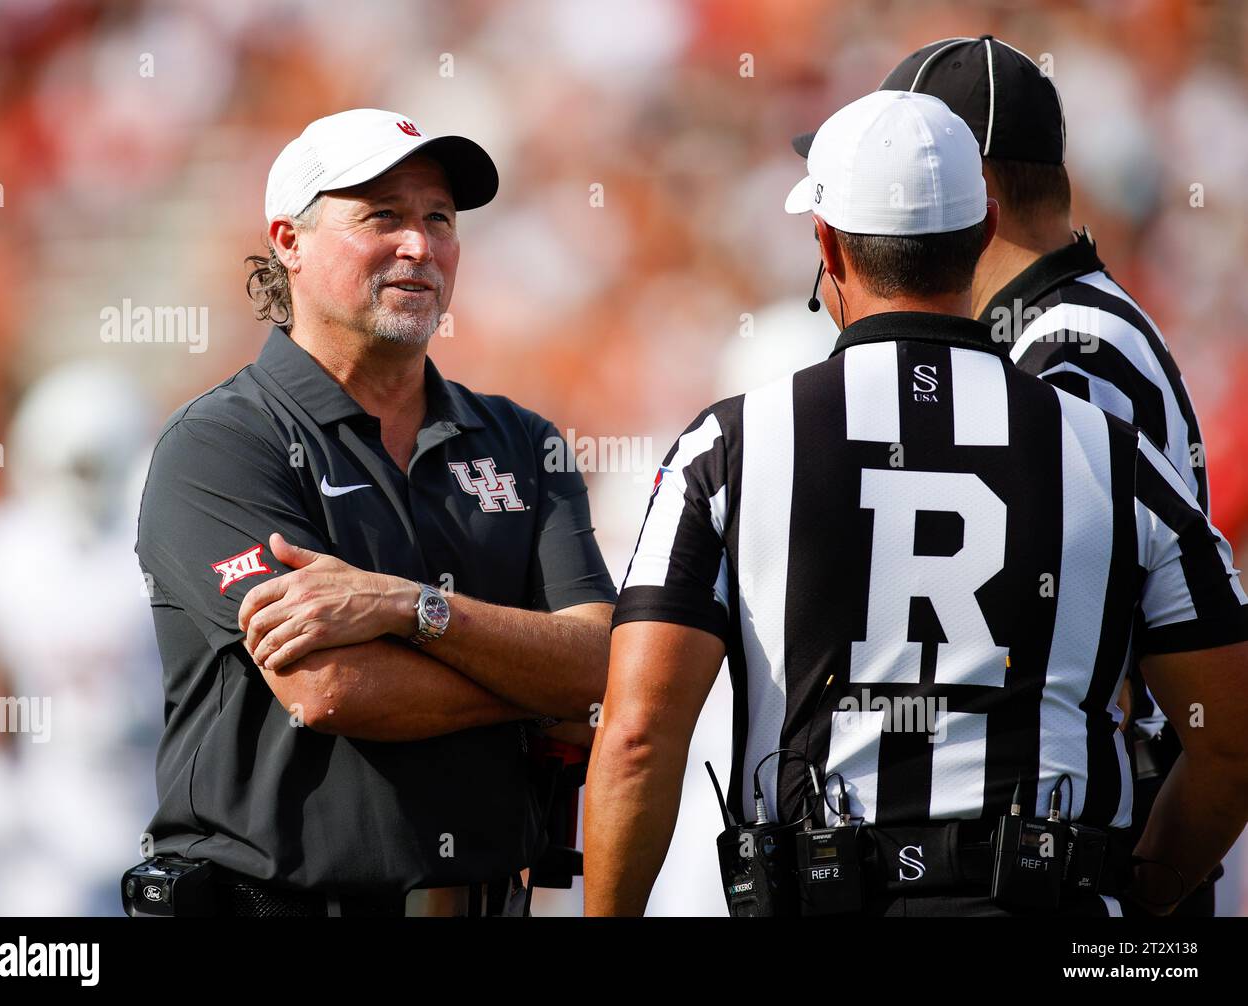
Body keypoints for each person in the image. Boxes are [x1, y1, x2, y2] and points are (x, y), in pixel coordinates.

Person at [583, 90, 1248, 917]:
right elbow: (1234, 741)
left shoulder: (730, 448)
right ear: (981, 233)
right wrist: (1140, 893)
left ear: (826, 243)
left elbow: (640, 738)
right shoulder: (1113, 455)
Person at [135, 108, 615, 917]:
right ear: (288, 241)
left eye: (439, 218)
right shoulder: (218, 446)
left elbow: (602, 662)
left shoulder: (523, 441)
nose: (420, 246)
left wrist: (404, 608)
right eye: (383, 216)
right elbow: (331, 690)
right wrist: (535, 682)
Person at [865, 34, 1220, 913]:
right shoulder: (1072, 323)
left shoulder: (1070, 347)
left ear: (969, 185)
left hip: (1110, 835)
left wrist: (1140, 898)